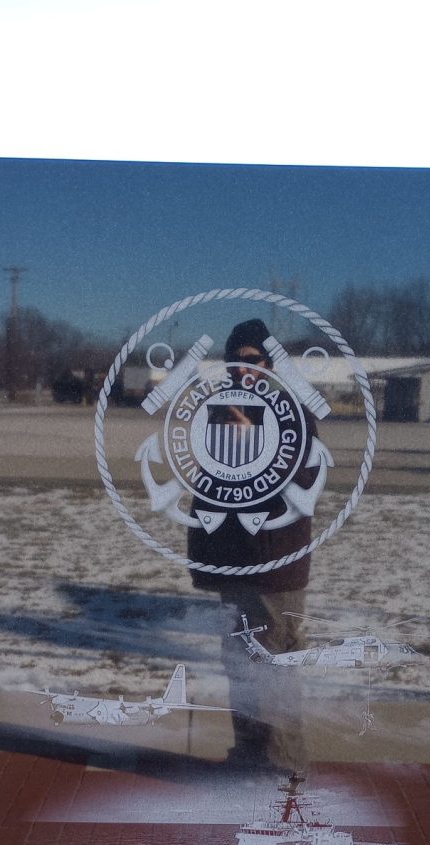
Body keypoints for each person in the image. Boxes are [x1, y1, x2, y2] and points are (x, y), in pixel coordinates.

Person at [187, 319, 316, 772]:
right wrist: (206, 560)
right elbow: (209, 494)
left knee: (273, 666)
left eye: (251, 361)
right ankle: (248, 757)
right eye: (233, 361)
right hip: (234, 567)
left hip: (272, 570)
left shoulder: (293, 414)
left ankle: (283, 769)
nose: (241, 371)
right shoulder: (220, 411)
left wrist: (250, 441)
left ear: (271, 365)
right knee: (240, 666)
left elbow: (301, 485)